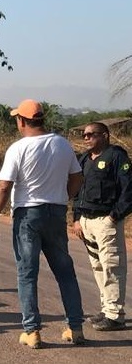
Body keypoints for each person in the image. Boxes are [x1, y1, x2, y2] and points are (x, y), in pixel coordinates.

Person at [0, 99, 86, 349]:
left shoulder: (18, 148)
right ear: (42, 118)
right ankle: (75, 328)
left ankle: (32, 331)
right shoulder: (62, 144)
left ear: (22, 121)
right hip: (56, 213)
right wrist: (64, 197)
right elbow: (77, 177)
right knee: (65, 272)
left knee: (27, 274)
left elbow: (3, 186)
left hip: (28, 216)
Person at [72, 122, 132, 331]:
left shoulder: (116, 157)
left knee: (112, 266)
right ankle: (107, 309)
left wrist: (114, 217)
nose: (86, 138)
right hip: (86, 221)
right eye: (84, 135)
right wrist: (77, 218)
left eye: (91, 134)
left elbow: (128, 191)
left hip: (106, 221)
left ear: (105, 135)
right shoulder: (84, 159)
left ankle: (115, 315)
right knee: (98, 267)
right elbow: (78, 189)